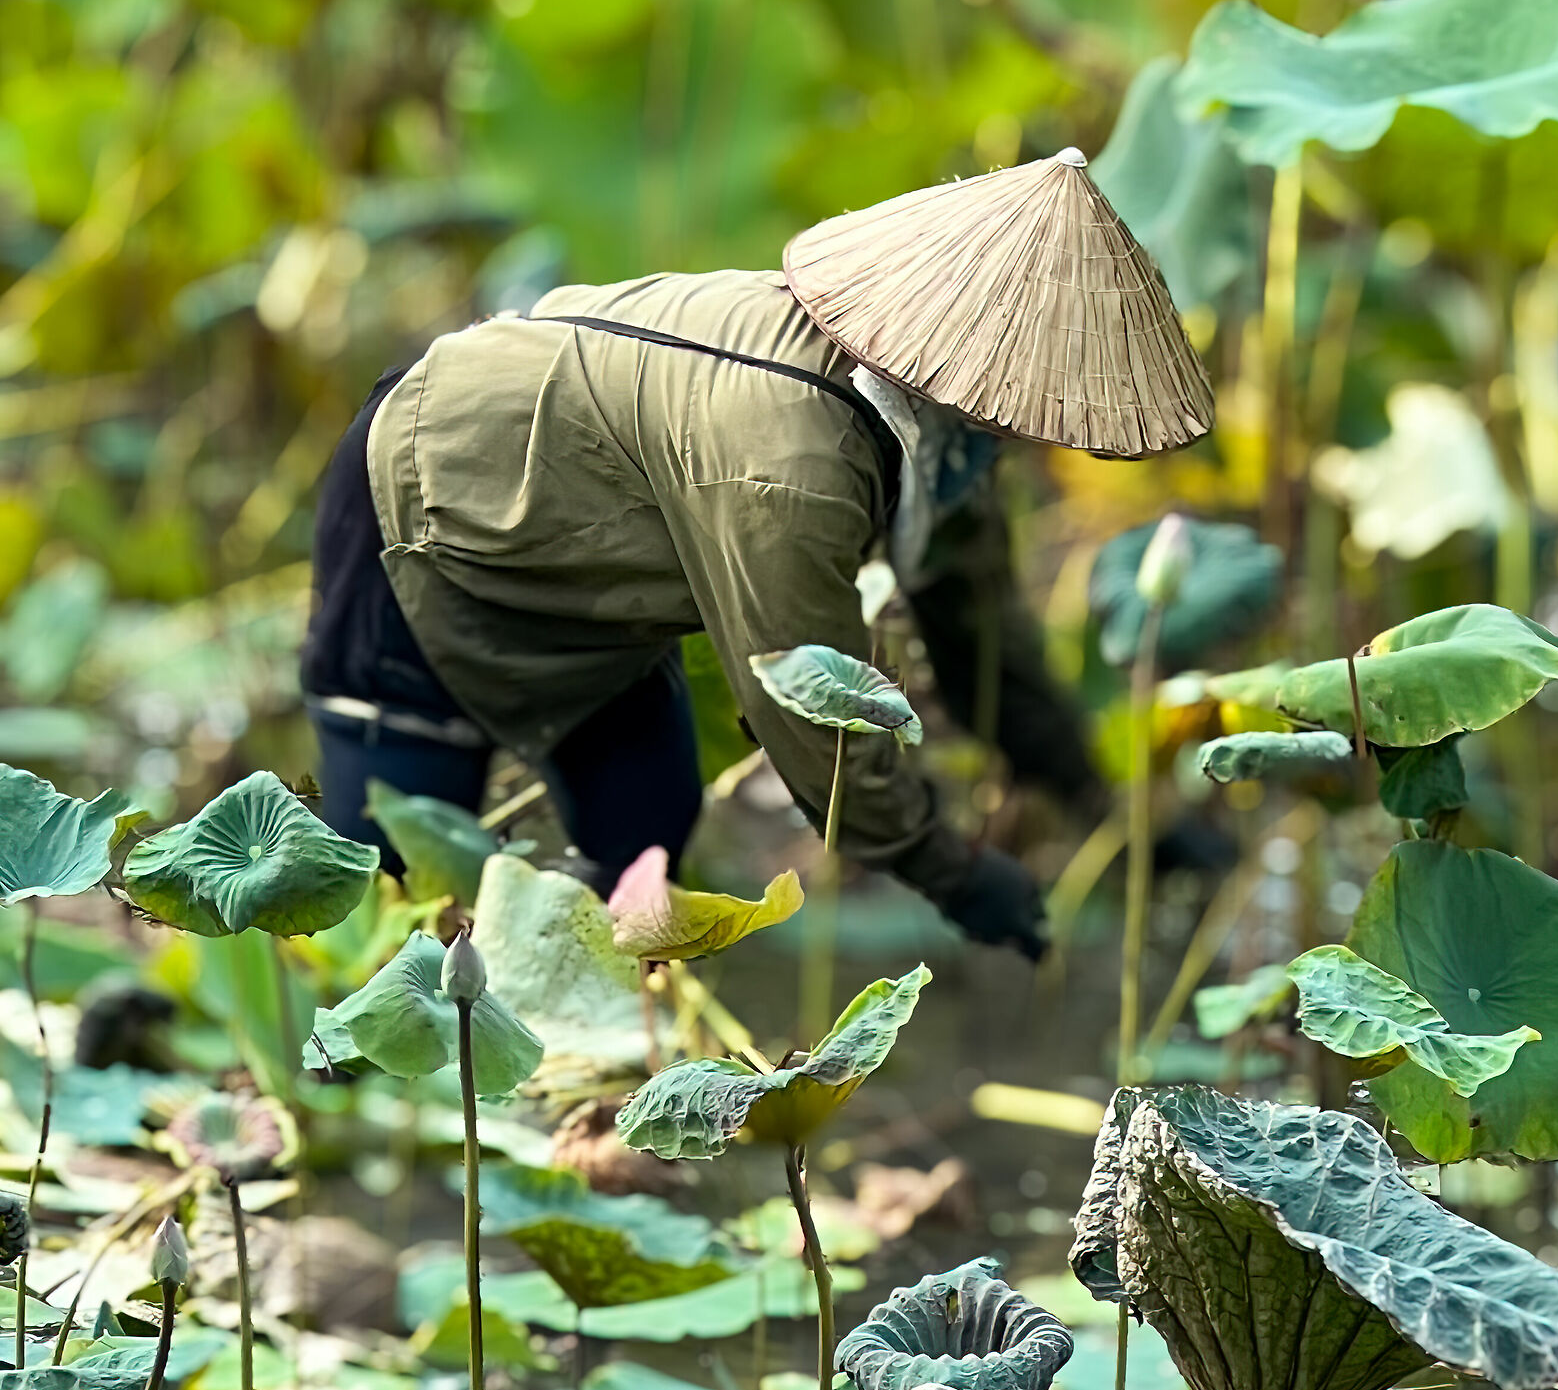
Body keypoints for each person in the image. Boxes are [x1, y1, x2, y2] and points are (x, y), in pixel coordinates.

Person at [301, 146, 1214, 959]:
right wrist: (951, 868)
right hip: (427, 502)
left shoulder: (943, 427)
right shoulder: (796, 466)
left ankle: (559, 1057)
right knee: (388, 878)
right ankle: (355, 1115)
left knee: (644, 838)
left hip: (587, 565)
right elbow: (810, 706)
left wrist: (1108, 811)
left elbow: (977, 627)